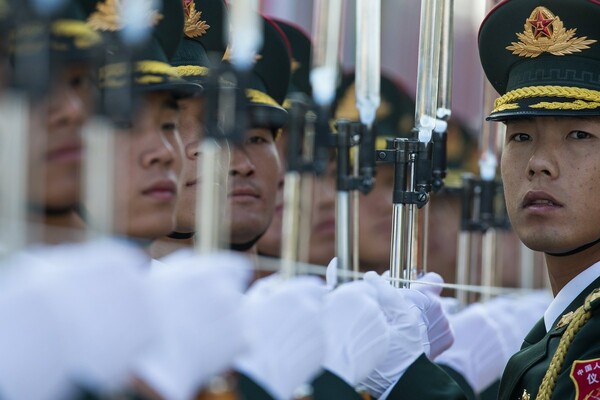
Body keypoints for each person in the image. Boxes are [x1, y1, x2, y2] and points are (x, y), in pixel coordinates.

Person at [477, 0, 600, 398]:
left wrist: (414, 378)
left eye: (579, 135)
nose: (539, 163)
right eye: (521, 136)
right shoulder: (566, 325)